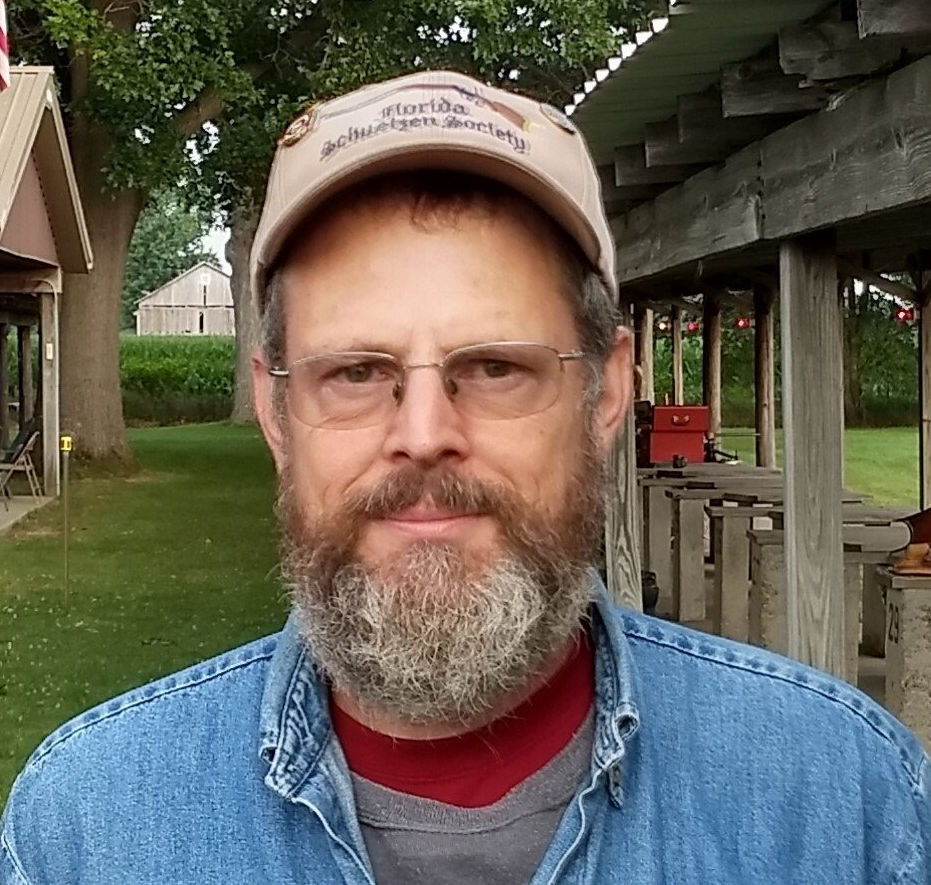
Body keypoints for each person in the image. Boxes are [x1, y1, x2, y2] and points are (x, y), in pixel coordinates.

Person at [2, 69, 929, 885]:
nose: (424, 434)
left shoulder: (841, 807)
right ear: (278, 410)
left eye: (493, 366)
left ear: (605, 393)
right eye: (356, 371)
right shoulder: (86, 832)